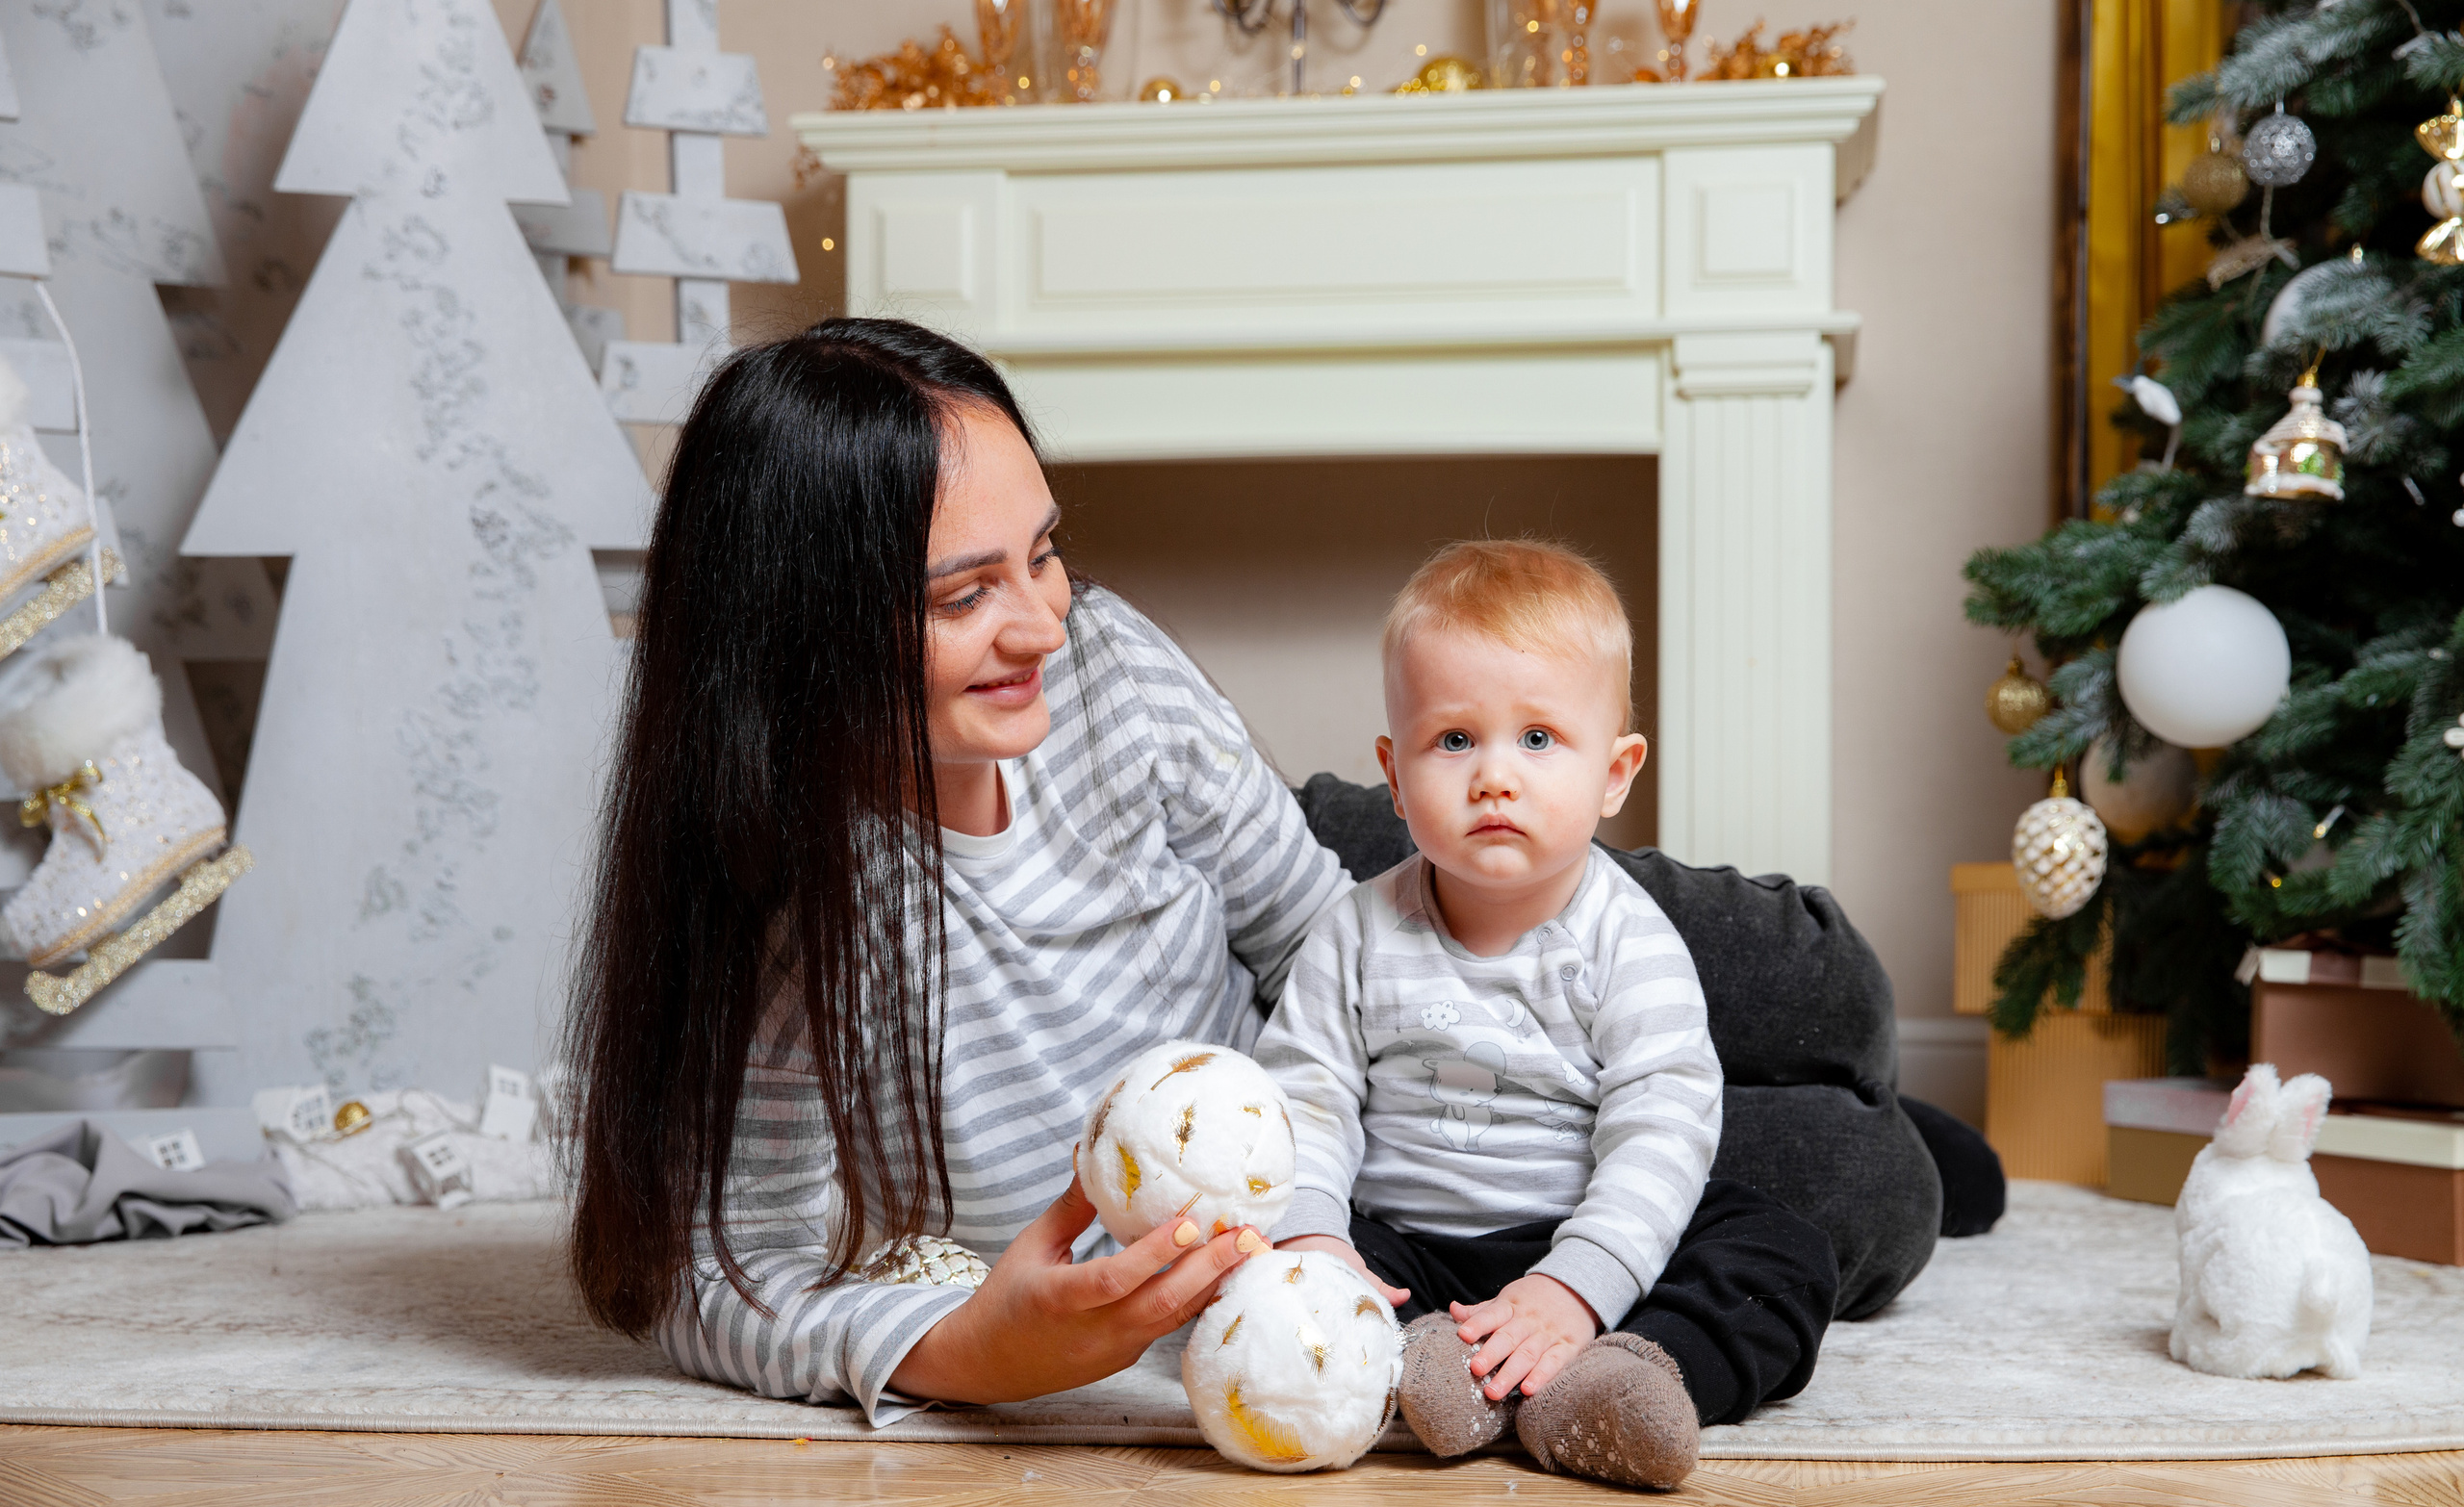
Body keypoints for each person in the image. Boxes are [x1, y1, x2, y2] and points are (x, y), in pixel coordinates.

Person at [562, 316, 1945, 1432]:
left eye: (1046, 552)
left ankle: (1834, 1075)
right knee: (1862, 1178)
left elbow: (1303, 928)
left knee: (1815, 978)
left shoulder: (1104, 672)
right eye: (963, 593)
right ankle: (1927, 1139)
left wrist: (1479, 1029)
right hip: (1328, 1110)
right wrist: (974, 1348)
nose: (1050, 620)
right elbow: (709, 1274)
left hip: (1343, 897)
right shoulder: (779, 923)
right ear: (799, 634)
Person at [1258, 542, 1835, 1490]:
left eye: (1536, 739)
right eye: (1453, 741)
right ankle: (1439, 1365)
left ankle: (1619, 1372)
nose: (1493, 776)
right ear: (1394, 777)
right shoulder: (1356, 931)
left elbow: (1659, 1127)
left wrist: (1578, 1287)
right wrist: (1316, 1242)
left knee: (1779, 1250)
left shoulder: (1628, 944)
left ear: (1614, 774)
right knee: (1261, 1264)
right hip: (1407, 1248)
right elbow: (1304, 1093)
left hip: (1577, 1235)